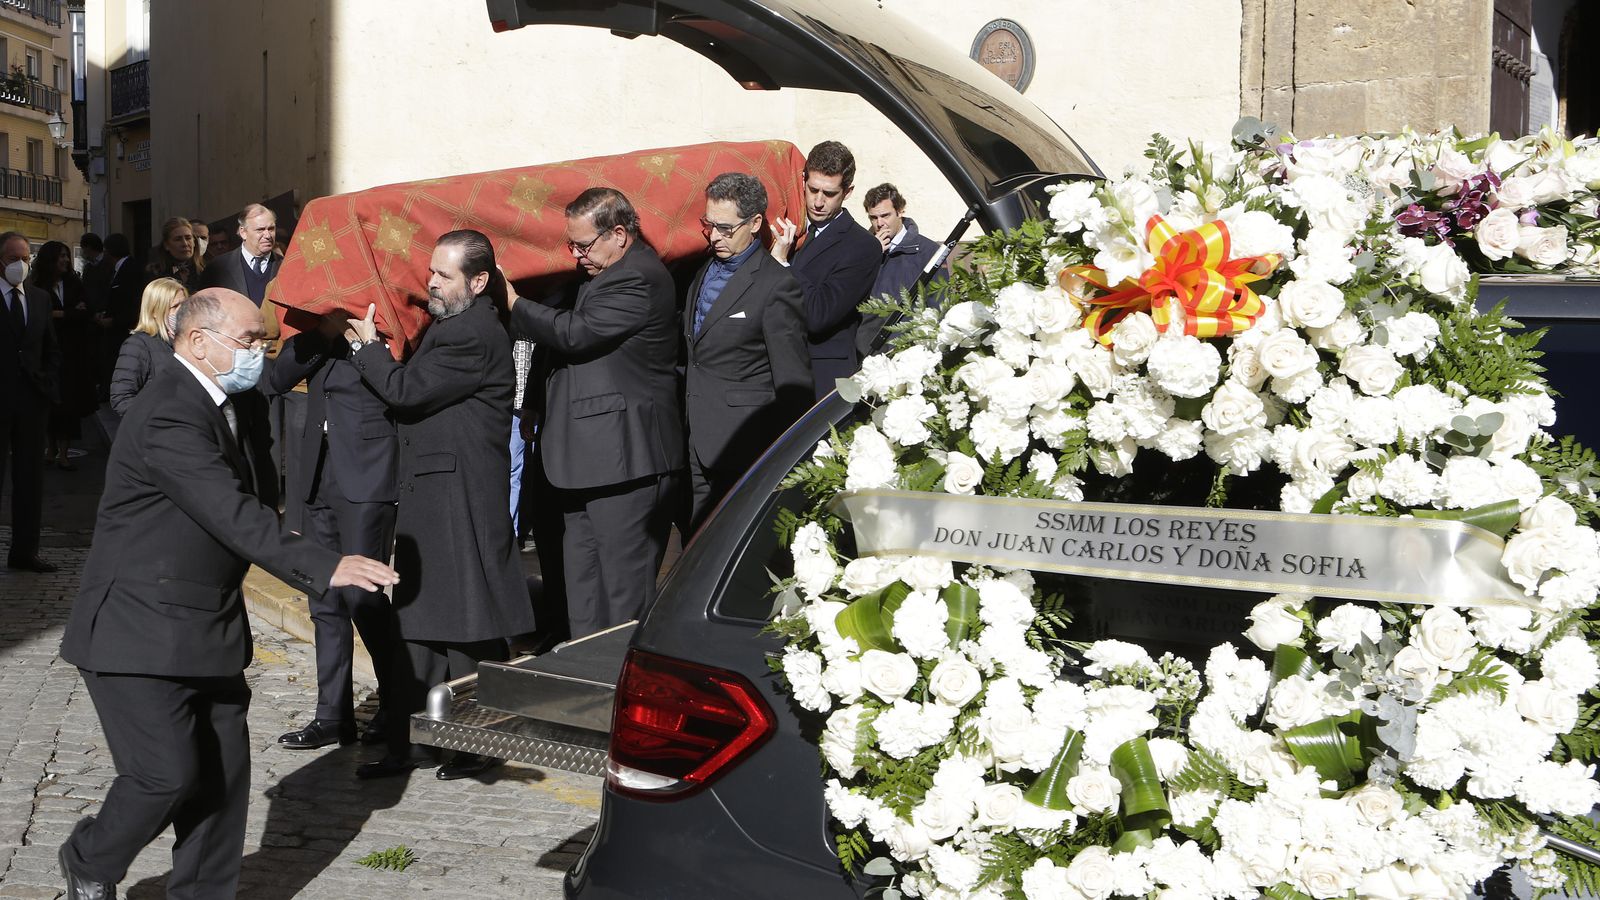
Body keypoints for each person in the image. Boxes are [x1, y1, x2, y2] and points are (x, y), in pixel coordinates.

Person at [55, 288, 399, 900]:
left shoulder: (217, 400)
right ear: (197, 341)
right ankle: (90, 858)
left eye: (262, 341)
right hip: (139, 631)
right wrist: (327, 564)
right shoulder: (167, 411)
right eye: (248, 341)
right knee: (164, 776)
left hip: (205, 624)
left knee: (219, 781)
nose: (257, 353)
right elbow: (230, 511)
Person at [346, 229, 536, 780]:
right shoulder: (454, 325)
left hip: (459, 493)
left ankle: (474, 743)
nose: (430, 281)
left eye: (444, 275)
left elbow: (406, 391)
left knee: (467, 624)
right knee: (421, 623)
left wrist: (367, 349)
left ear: (478, 282)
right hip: (436, 490)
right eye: (431, 270)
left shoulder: (470, 333)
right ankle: (419, 743)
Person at [508, 188, 685, 640]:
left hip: (625, 460)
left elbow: (575, 334)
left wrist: (514, 304)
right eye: (571, 244)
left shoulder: (639, 276)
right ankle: (584, 671)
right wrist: (533, 402)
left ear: (619, 234)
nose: (575, 255)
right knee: (582, 588)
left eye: (583, 245)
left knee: (622, 594)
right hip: (585, 459)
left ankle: (617, 674)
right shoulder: (595, 272)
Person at [268, 307, 403, 752]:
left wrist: (365, 339)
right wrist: (323, 331)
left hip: (367, 473)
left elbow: (402, 386)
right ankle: (332, 716)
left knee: (363, 596)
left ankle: (397, 704)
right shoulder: (315, 320)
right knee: (323, 599)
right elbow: (278, 377)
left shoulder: (386, 313)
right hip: (316, 471)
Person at [683, 173, 811, 529]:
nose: (714, 236)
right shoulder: (703, 270)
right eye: (709, 225)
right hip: (695, 439)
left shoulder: (776, 285)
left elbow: (793, 380)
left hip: (744, 446)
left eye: (725, 228)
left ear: (755, 223)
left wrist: (789, 456)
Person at [768, 140, 881, 400]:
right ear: (803, 181)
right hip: (771, 376)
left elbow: (820, 314)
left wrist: (784, 264)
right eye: (813, 190)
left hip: (819, 381)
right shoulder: (788, 225)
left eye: (829, 194)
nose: (818, 202)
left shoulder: (862, 246)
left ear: (847, 192)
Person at [0, 233, 60, 573]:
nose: (20, 266)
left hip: (32, 401)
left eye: (25, 259)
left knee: (29, 480)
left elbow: (51, 347)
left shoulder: (39, 298)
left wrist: (48, 382)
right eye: (13, 259)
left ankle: (25, 551)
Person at [856, 183, 947, 358]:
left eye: (885, 215)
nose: (880, 223)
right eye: (873, 218)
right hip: (865, 352)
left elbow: (938, 306)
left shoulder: (928, 251)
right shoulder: (861, 250)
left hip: (910, 353)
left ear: (900, 211)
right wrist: (871, 254)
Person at [35, 241, 96, 470]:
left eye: (66, 256)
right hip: (47, 353)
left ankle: (63, 452)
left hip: (72, 353)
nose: (65, 260)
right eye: (60, 256)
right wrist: (69, 313)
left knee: (69, 404)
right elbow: (39, 315)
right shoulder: (38, 285)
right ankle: (50, 448)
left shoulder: (74, 283)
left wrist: (59, 314)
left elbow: (86, 312)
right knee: (50, 402)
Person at [109, 277, 187, 416]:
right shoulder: (137, 345)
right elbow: (121, 399)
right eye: (175, 306)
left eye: (185, 304)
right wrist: (163, 418)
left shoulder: (190, 342)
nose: (183, 311)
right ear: (155, 311)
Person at [145, 217, 203, 293]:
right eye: (178, 239)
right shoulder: (155, 273)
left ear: (194, 241)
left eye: (188, 238)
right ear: (166, 245)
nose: (185, 244)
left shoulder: (204, 270)